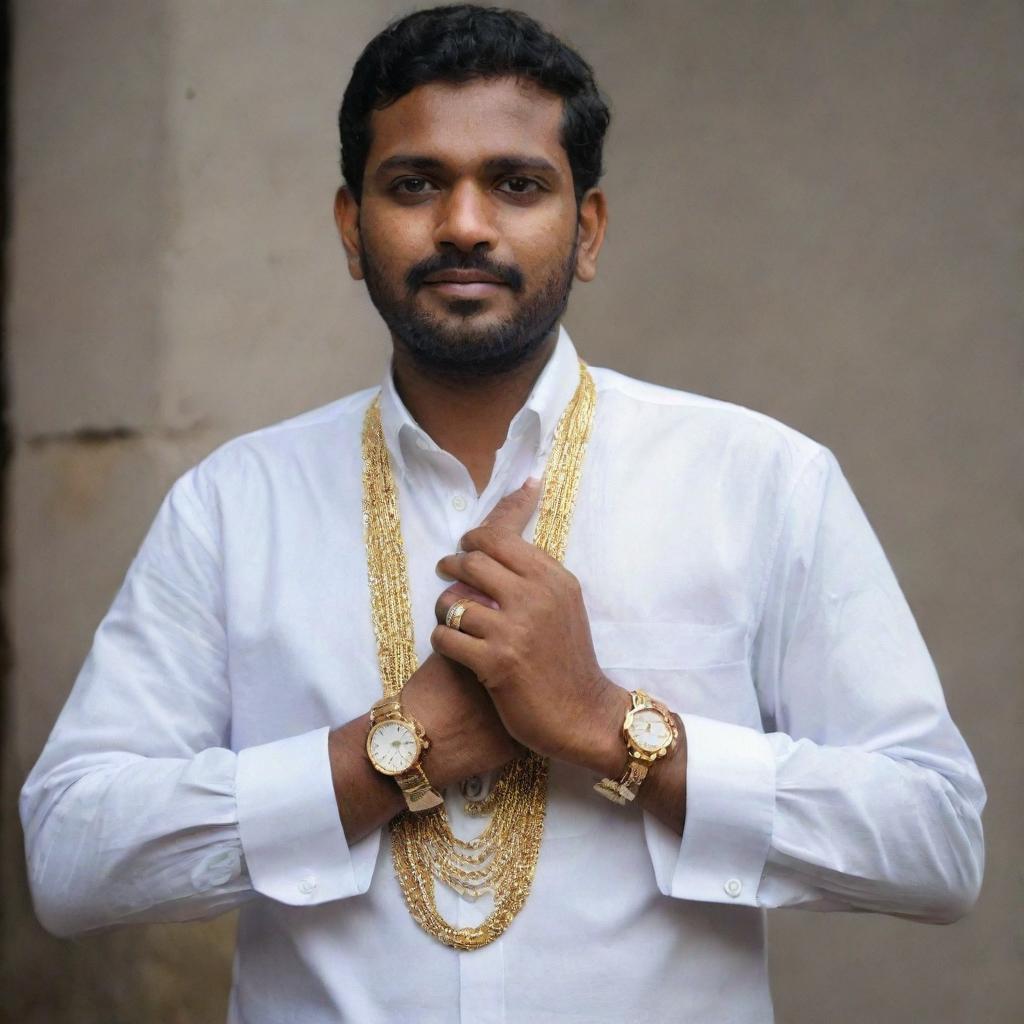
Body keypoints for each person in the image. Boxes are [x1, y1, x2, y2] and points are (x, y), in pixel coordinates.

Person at [21, 5, 985, 1023]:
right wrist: (388, 751)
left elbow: (933, 839)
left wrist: (612, 727)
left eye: (517, 184)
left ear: (589, 228)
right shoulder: (231, 504)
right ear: (353, 229)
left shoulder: (759, 480)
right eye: (415, 183)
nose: (465, 223)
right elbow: (75, 854)